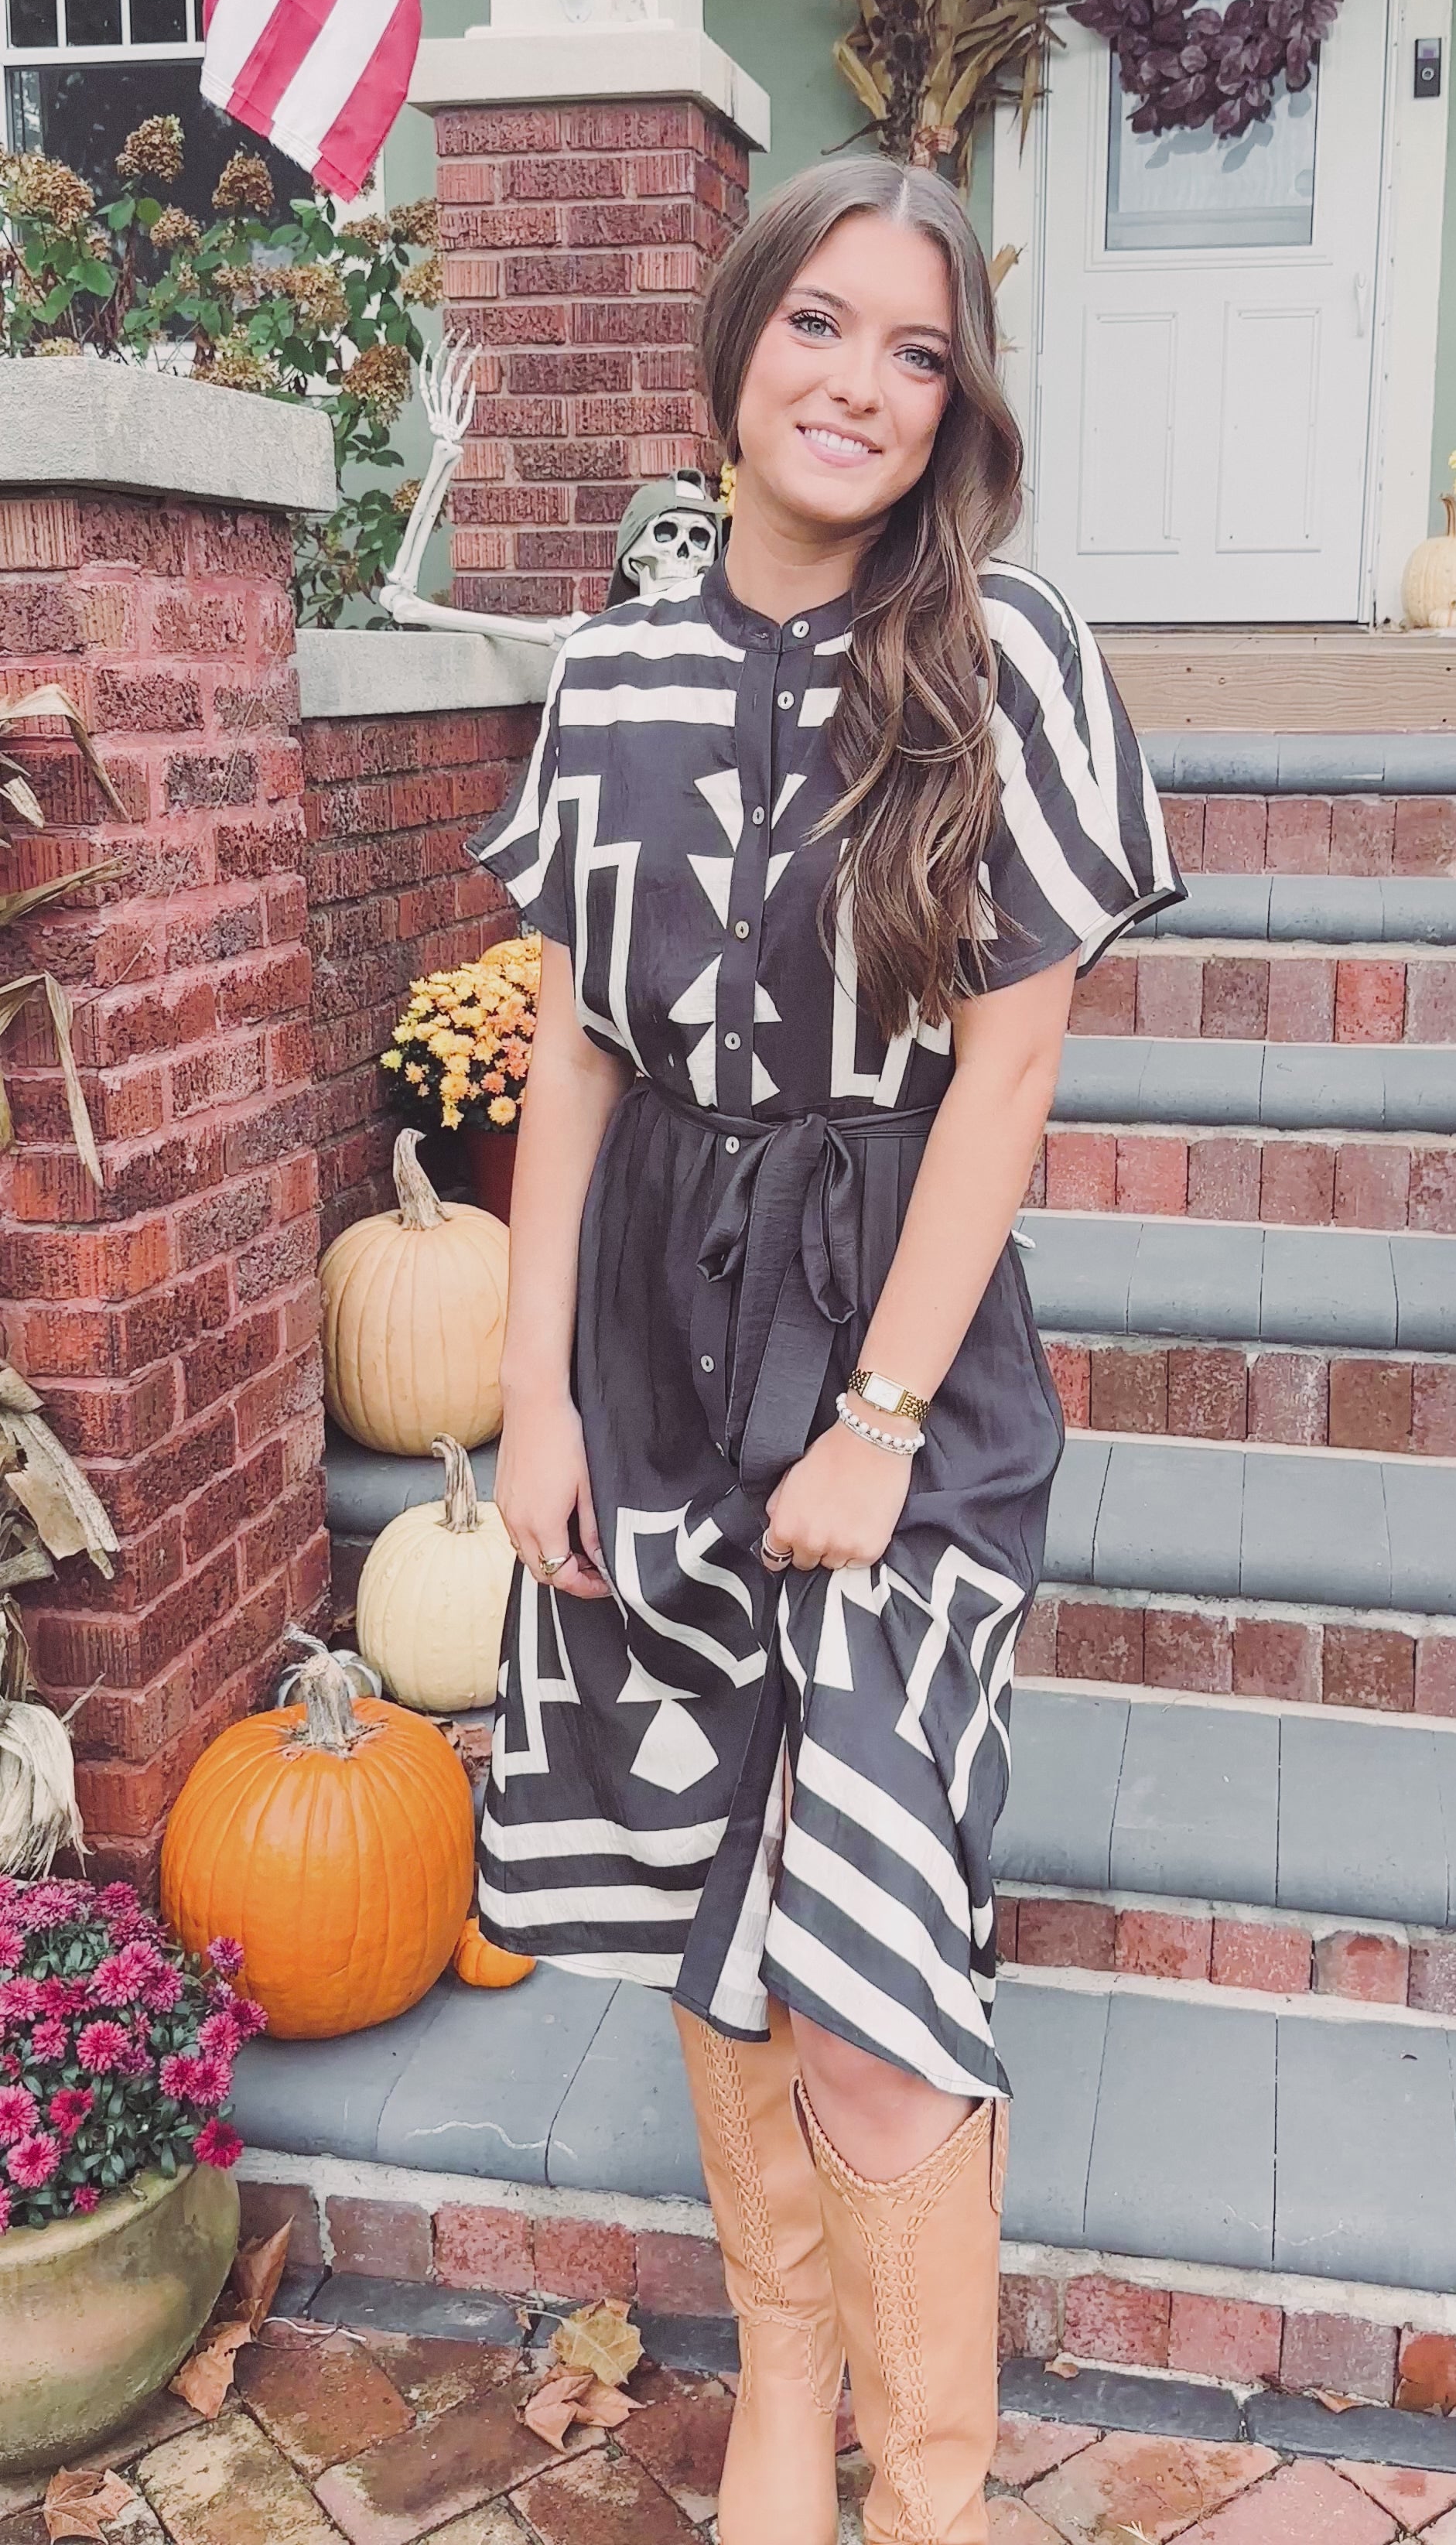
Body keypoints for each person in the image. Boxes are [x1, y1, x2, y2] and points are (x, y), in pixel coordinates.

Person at [470, 154, 1179, 2545]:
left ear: (958, 405)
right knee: (712, 1886)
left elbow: (1010, 1063)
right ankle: (784, 2393)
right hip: (651, 1341)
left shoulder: (1005, 654)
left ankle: (934, 2496)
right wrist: (532, 1396)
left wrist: (877, 1415)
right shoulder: (610, 676)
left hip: (904, 1357)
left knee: (871, 1982)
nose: (861, 382)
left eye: (918, 350)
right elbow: (579, 1051)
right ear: (735, 344)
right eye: (819, 324)